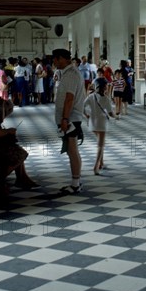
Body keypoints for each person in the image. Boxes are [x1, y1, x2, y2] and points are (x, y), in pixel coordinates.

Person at [52, 48, 85, 194]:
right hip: (69, 118)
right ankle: (75, 182)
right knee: (71, 150)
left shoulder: (71, 74)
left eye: (55, 59)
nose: (54, 62)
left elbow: (69, 98)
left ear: (62, 59)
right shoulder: (66, 73)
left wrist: (65, 118)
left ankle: (75, 183)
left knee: (72, 150)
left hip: (71, 118)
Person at [83, 78, 115, 175]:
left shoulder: (91, 96)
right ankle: (96, 166)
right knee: (100, 145)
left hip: (92, 122)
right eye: (106, 85)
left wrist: (86, 115)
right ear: (103, 87)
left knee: (100, 142)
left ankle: (101, 163)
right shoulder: (105, 98)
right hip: (101, 123)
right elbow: (110, 114)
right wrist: (117, 116)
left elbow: (82, 106)